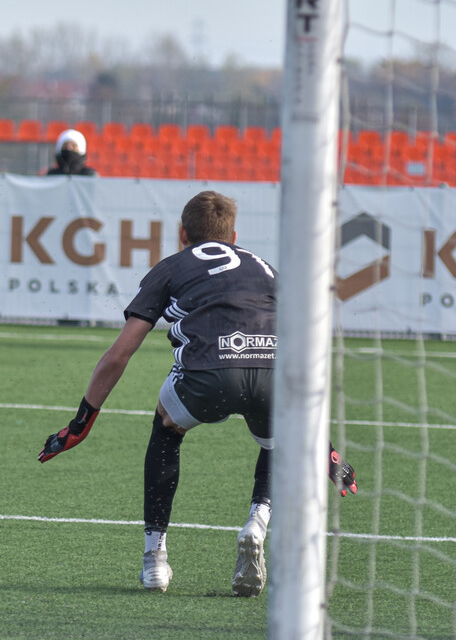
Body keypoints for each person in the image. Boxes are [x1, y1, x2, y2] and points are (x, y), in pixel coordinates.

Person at [36, 190, 357, 597]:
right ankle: (257, 523)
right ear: (234, 235)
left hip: (209, 378)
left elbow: (120, 354)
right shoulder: (266, 269)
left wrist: (81, 424)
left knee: (166, 426)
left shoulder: (171, 267)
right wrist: (324, 447)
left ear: (183, 233)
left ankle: (155, 560)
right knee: (277, 438)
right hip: (274, 375)